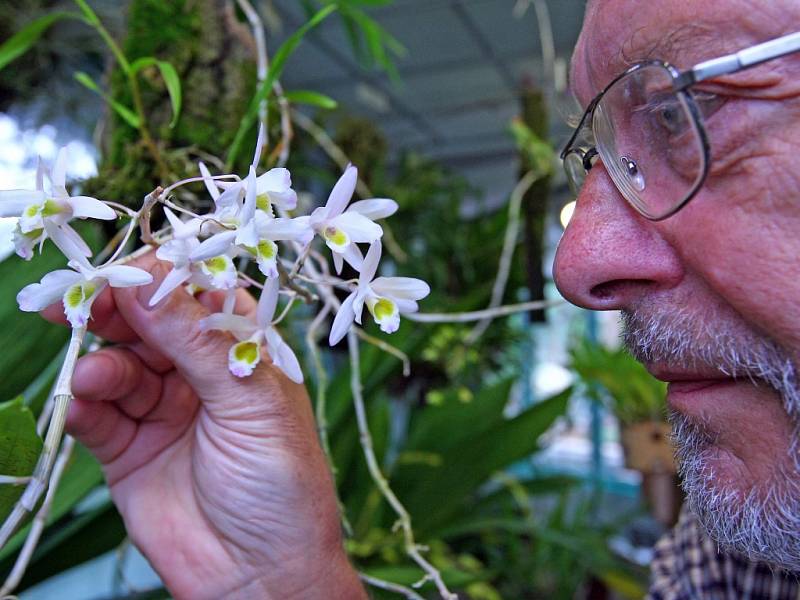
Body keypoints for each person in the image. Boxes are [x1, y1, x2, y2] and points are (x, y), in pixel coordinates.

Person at [37, 0, 800, 598]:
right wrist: (282, 584)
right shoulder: (734, 561)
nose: (579, 262)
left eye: (679, 114)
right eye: (599, 156)